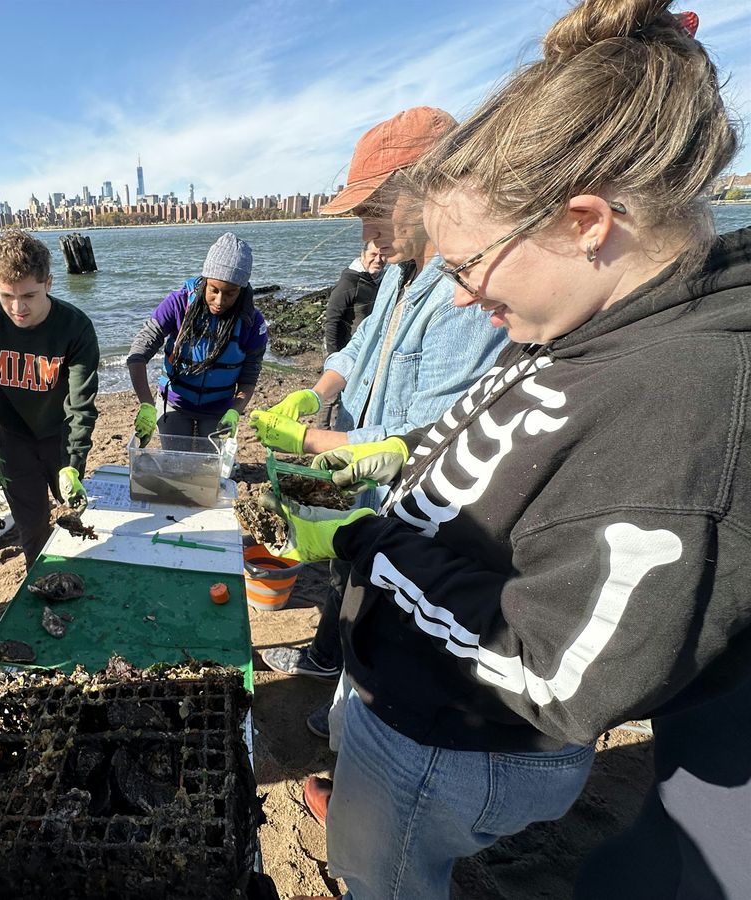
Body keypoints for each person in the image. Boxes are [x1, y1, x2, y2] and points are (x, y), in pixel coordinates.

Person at [271, 2, 747, 897]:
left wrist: (363, 540)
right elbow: (484, 439)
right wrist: (385, 463)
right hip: (409, 691)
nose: (456, 298)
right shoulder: (584, 325)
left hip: (460, 737)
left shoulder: (683, 397)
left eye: (468, 267)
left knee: (384, 880)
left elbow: (552, 666)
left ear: (585, 222)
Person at [249, 107, 507, 742]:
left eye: (374, 207)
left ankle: (351, 726)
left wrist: (310, 442)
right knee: (346, 581)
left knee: (384, 616)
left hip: (412, 494)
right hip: (359, 469)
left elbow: (425, 432)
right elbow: (358, 349)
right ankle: (329, 682)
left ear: (428, 188)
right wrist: (312, 396)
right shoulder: (396, 271)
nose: (365, 227)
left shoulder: (461, 295)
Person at [0, 230, 99, 569]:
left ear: (49, 283)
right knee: (31, 523)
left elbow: (81, 403)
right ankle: (42, 573)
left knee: (77, 507)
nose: (17, 307)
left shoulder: (75, 327)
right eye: (6, 295)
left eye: (29, 295)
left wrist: (75, 461)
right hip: (13, 441)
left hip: (61, 436)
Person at [127, 231, 268, 442]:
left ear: (242, 289)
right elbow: (138, 353)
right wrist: (146, 404)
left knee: (208, 467)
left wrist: (235, 411)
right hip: (174, 403)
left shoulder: (252, 322)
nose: (219, 301)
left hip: (219, 408)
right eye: (214, 290)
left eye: (230, 293)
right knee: (175, 460)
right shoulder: (177, 304)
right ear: (205, 281)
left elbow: (249, 377)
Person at [318, 240, 386, 429]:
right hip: (341, 347)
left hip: (364, 347)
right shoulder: (349, 281)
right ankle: (322, 431)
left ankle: (343, 431)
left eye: (382, 255)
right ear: (362, 254)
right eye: (373, 255)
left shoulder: (382, 280)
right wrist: (333, 354)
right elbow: (332, 319)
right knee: (331, 395)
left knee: (354, 391)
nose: (378, 260)